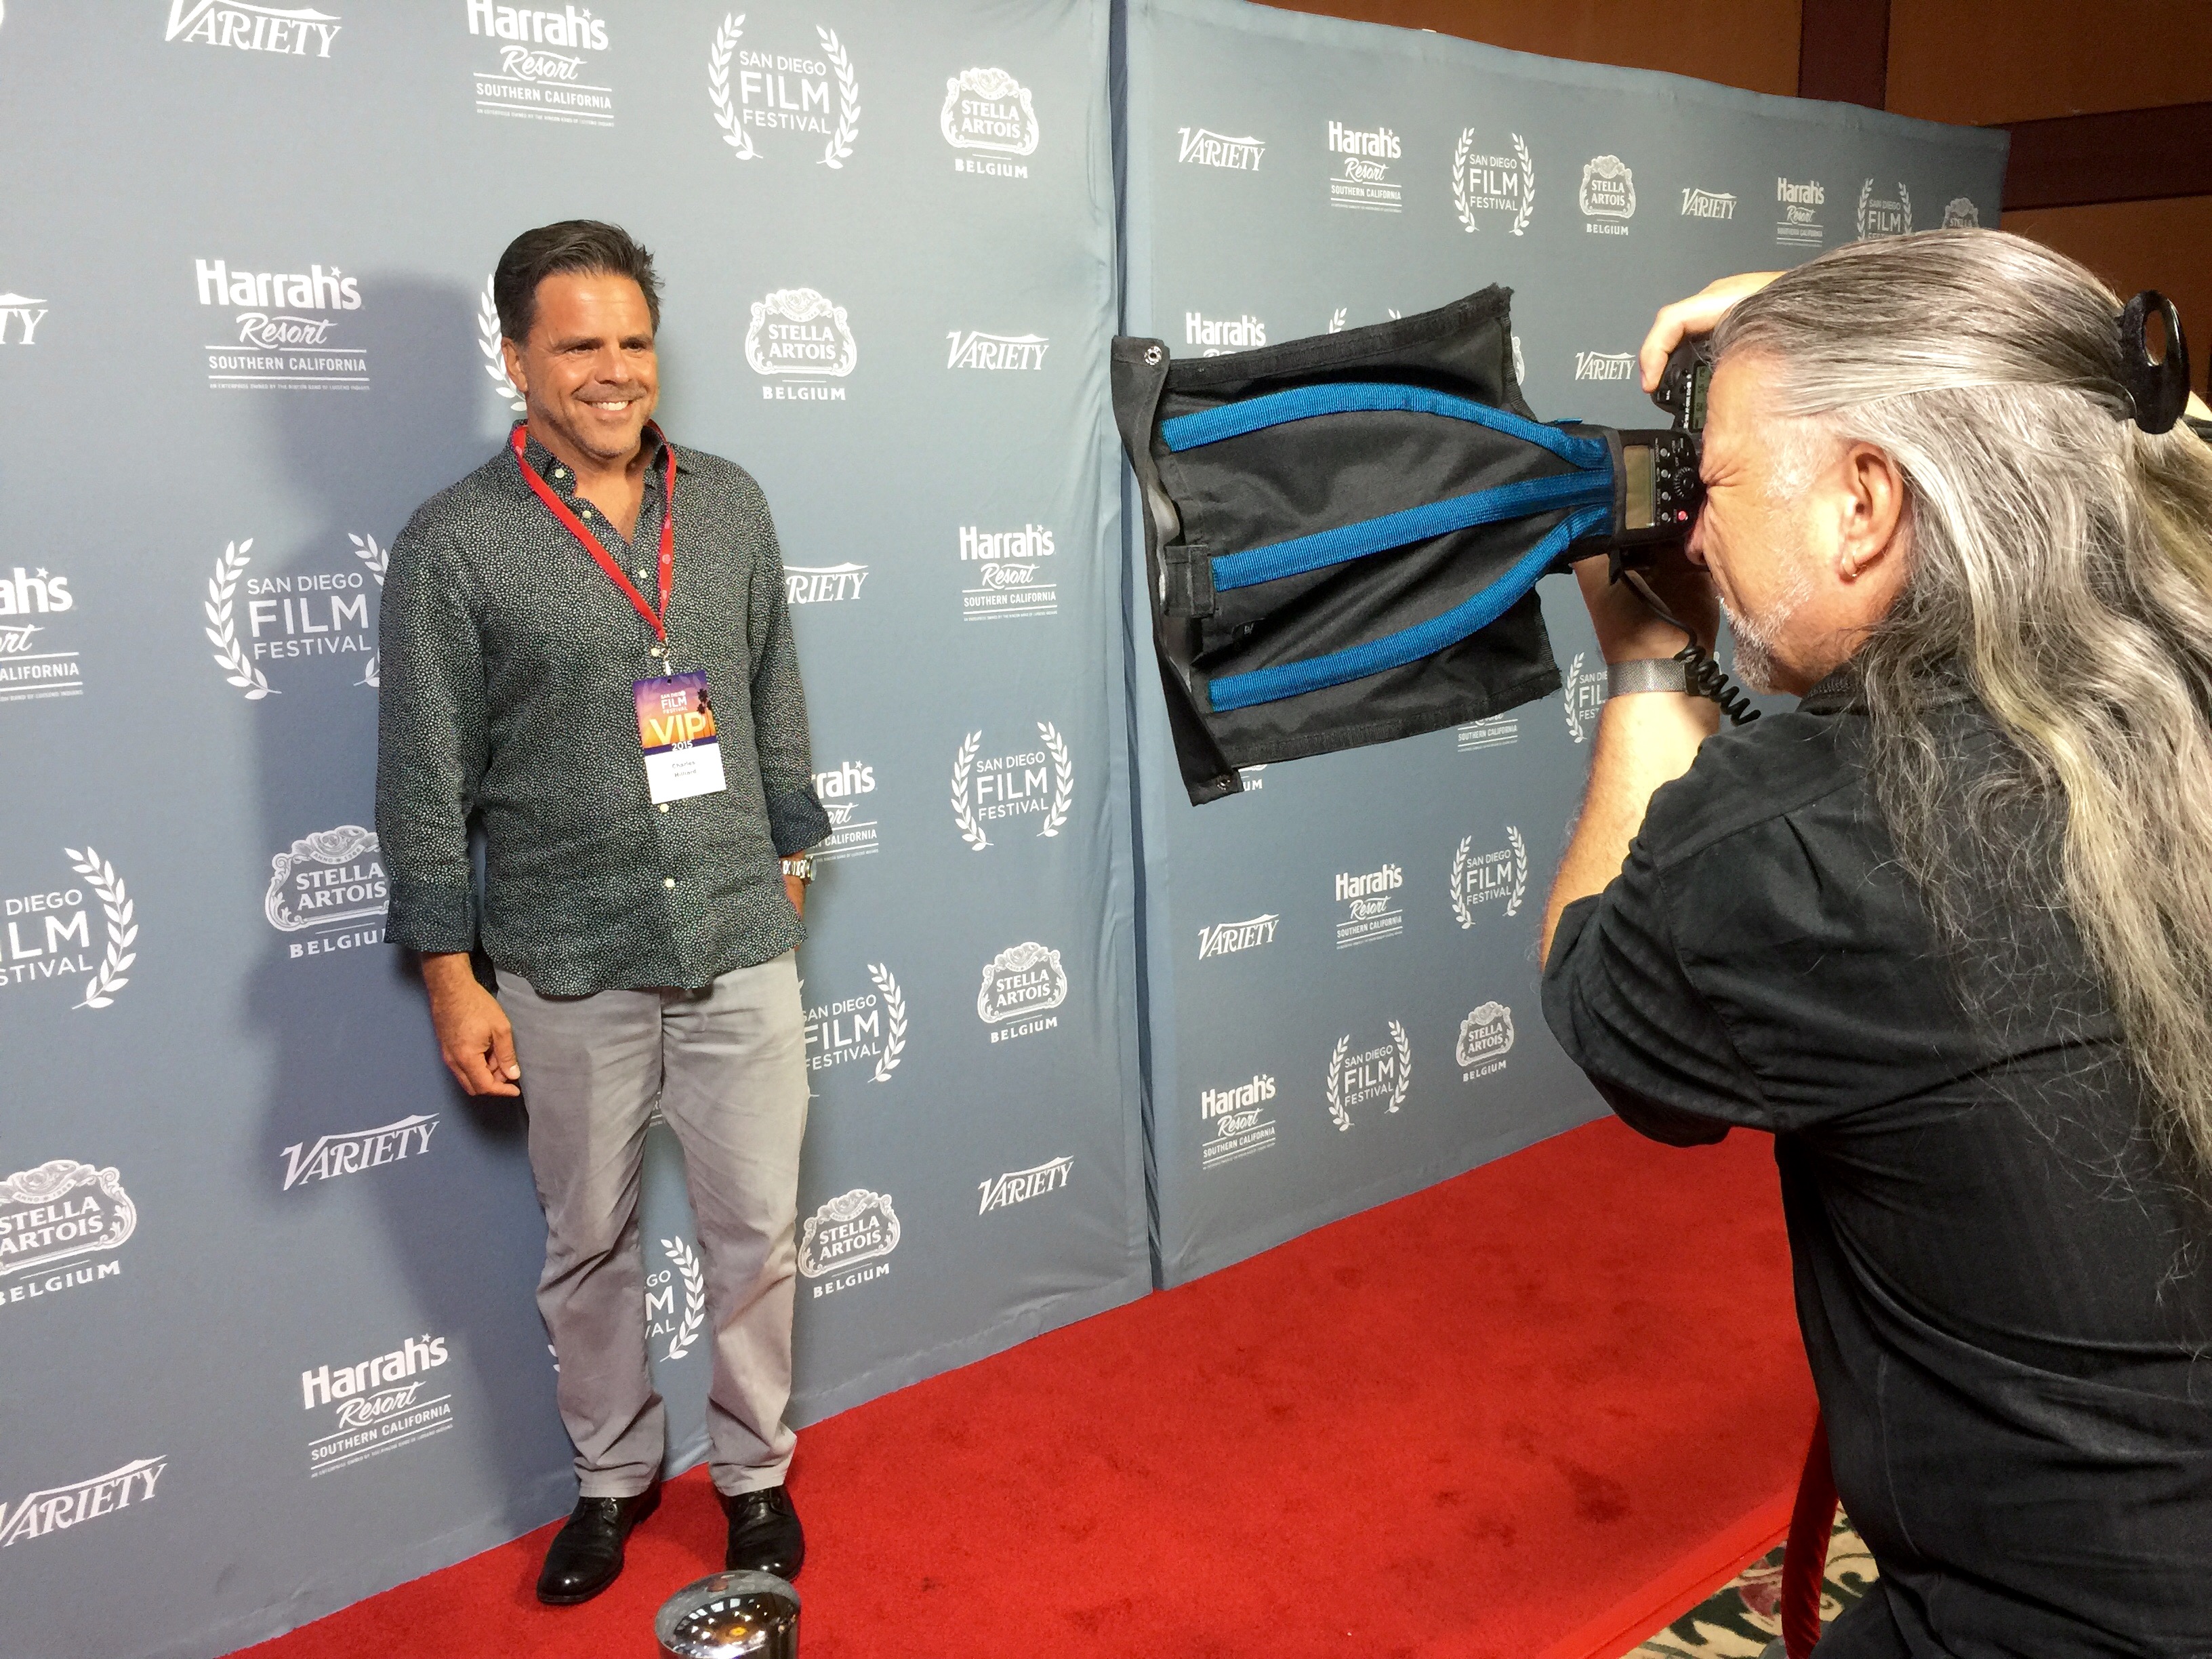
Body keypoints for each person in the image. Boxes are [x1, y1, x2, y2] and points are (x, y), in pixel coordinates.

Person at [1540, 230, 2212, 1656]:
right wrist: (1859, 327)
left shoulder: (1810, 841)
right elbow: (2144, 420)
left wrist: (1654, 670)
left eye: (1712, 480)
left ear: (1864, 500)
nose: (1696, 528)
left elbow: (1599, 998)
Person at [375, 221, 829, 1604]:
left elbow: (771, 699)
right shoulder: (456, 545)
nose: (615, 370)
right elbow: (423, 775)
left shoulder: (734, 505)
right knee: (587, 1245)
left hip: (737, 941)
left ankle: (753, 1478)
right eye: (580, 346)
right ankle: (615, 1479)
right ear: (517, 360)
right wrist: (454, 976)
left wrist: (790, 852)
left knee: (759, 1231)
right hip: (565, 959)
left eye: (632, 341)